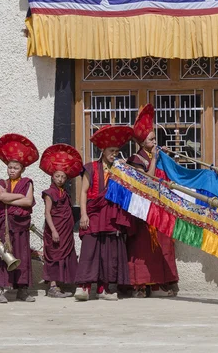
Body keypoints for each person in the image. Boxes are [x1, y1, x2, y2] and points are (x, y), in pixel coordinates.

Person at [75, 125, 133, 301]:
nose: (114, 154)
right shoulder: (91, 167)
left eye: (117, 151)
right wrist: (83, 215)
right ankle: (84, 287)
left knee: (109, 252)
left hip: (111, 214)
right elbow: (83, 191)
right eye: (111, 150)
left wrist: (125, 171)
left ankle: (104, 289)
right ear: (102, 149)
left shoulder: (119, 170)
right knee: (89, 249)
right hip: (94, 213)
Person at [126, 104, 179, 298]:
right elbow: (146, 181)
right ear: (142, 142)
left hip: (160, 207)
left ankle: (165, 282)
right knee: (143, 247)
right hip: (142, 211)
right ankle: (140, 285)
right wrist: (155, 159)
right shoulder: (135, 159)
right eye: (151, 139)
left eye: (155, 138)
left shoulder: (156, 155)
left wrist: (166, 157)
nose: (154, 141)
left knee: (164, 245)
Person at [0, 134, 39, 303]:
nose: (12, 170)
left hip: (21, 227)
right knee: (3, 255)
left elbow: (28, 201)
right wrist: (19, 196)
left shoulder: (28, 182)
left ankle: (22, 291)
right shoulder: (2, 183)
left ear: (22, 169)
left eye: (15, 168)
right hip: (5, 226)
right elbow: (1, 197)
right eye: (10, 167)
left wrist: (13, 197)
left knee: (22, 256)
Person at [39, 143, 83, 298]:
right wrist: (53, 230)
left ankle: (64, 284)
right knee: (54, 256)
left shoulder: (64, 193)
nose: (60, 179)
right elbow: (47, 213)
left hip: (66, 230)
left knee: (66, 255)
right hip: (55, 230)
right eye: (57, 176)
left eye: (63, 177)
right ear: (52, 176)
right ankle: (52, 286)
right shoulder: (49, 193)